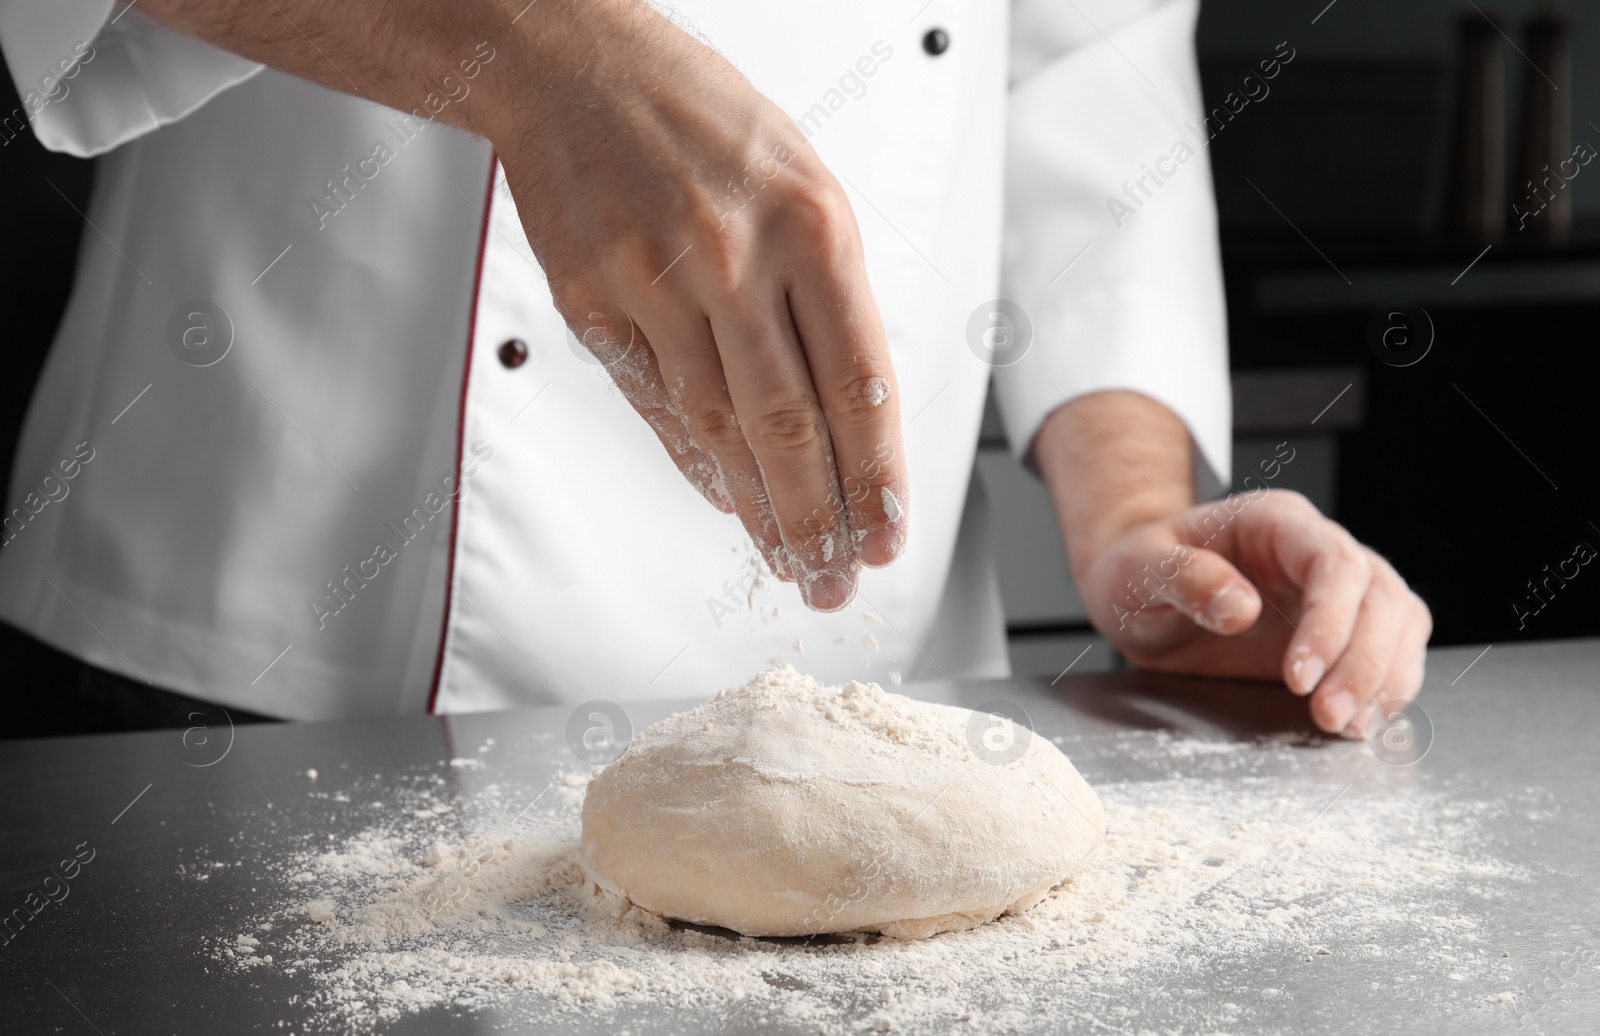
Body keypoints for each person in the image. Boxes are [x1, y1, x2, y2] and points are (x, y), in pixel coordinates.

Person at [0, 0, 1429, 739]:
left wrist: (1137, 528)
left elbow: (1082, 55)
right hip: (259, 641)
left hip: (863, 697)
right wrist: (540, 58)